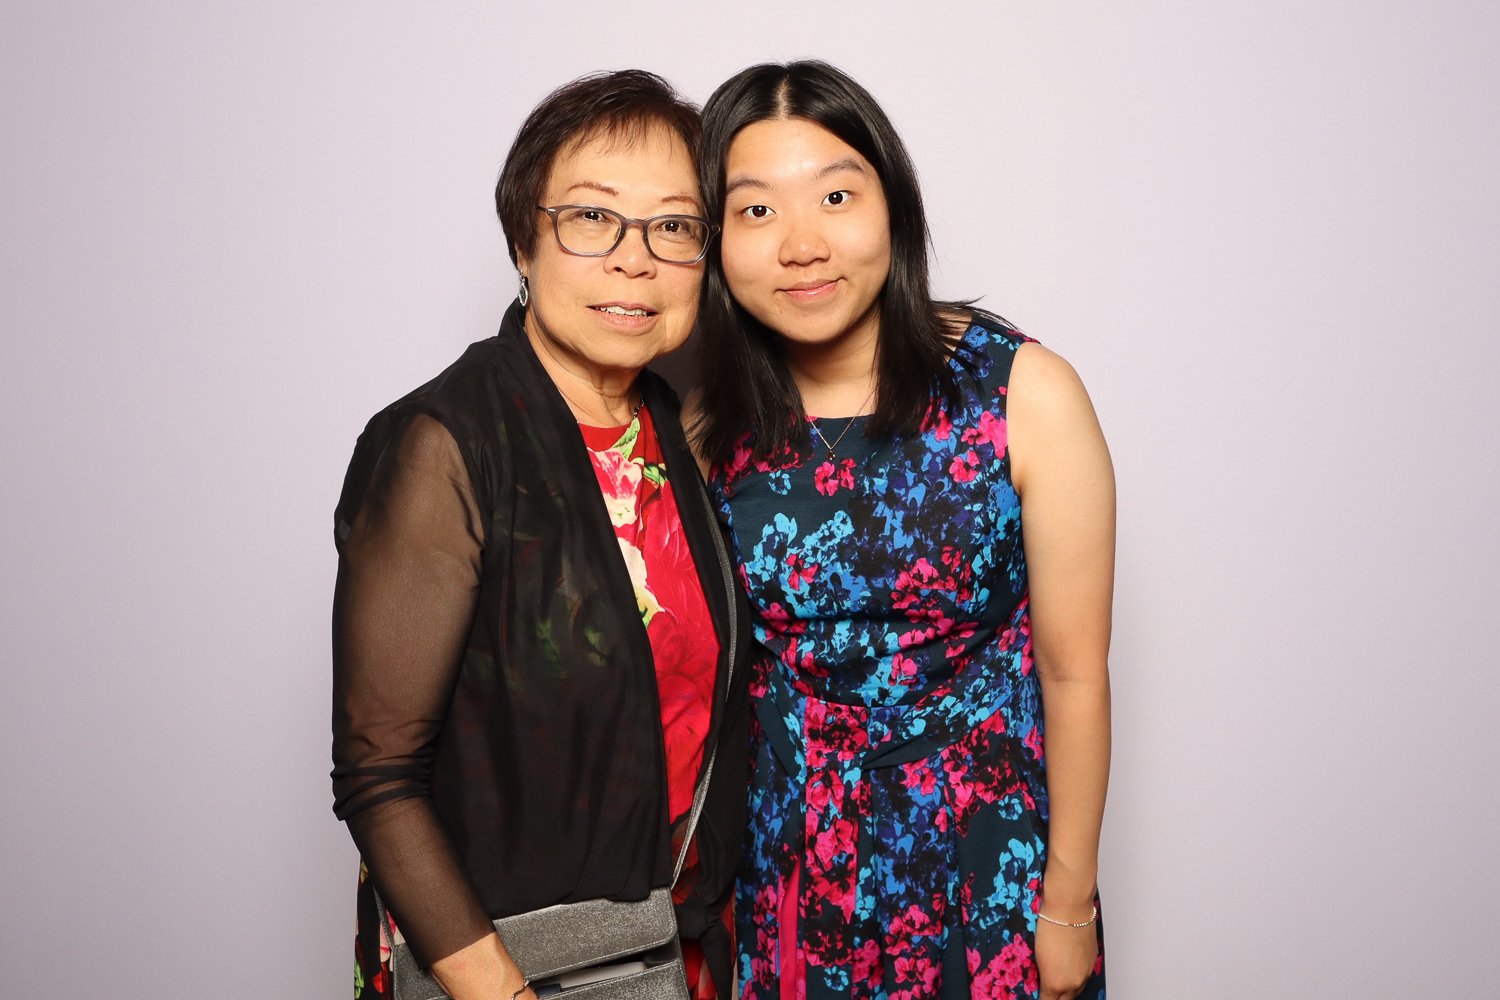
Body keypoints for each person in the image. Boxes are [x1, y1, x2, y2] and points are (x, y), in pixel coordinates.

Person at [692, 61, 1113, 1000]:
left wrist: (1069, 904)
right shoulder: (702, 429)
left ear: (895, 205)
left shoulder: (1021, 395)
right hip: (783, 867)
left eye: (837, 195)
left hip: (983, 860)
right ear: (715, 240)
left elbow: (1074, 672)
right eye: (756, 212)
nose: (803, 244)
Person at [331, 70, 748, 1000]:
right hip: (508, 970)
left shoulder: (665, 430)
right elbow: (379, 777)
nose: (634, 260)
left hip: (668, 956)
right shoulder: (443, 445)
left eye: (674, 228)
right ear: (525, 236)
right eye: (592, 219)